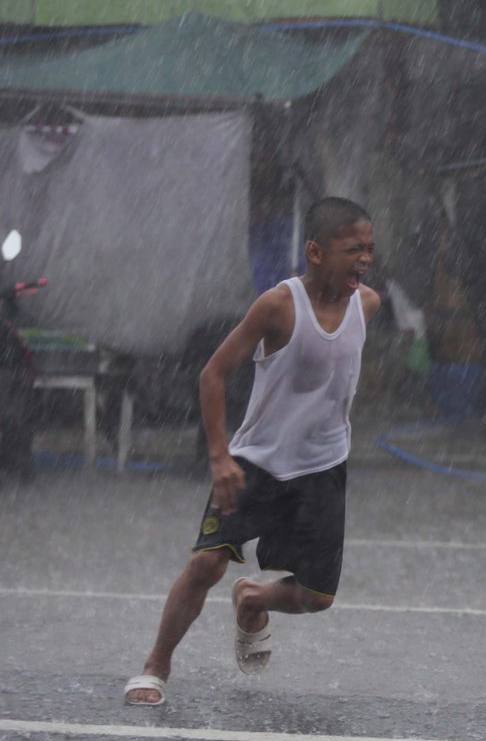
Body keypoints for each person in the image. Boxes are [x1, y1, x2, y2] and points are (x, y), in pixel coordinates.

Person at [123, 197, 381, 706]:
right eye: (353, 249)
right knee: (205, 565)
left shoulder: (367, 304)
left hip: (323, 469)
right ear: (314, 251)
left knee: (318, 597)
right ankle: (155, 667)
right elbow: (212, 374)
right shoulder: (278, 306)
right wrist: (220, 458)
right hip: (256, 462)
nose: (364, 260)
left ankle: (253, 599)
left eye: (370, 249)